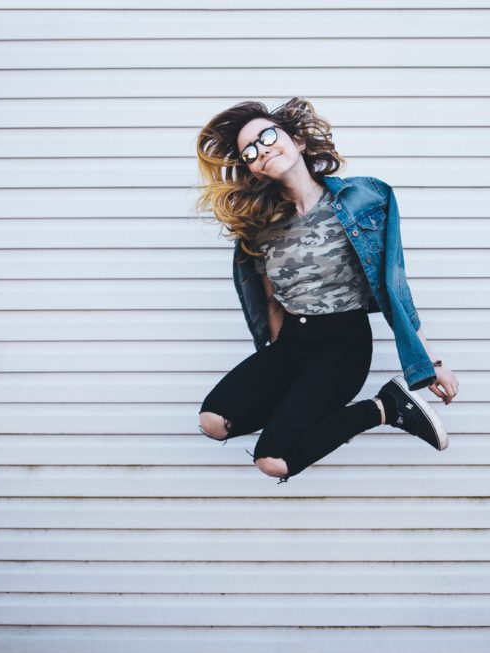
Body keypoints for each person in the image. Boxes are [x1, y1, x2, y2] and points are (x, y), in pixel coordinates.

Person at [193, 97, 460, 483]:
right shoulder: (259, 227)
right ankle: (312, 408)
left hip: (343, 347)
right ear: (252, 169)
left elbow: (395, 288)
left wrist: (429, 363)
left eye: (267, 136)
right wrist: (277, 363)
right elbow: (270, 299)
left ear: (298, 141)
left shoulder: (363, 200)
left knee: (273, 461)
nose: (261, 150)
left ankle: (385, 408)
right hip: (292, 344)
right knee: (214, 421)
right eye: (249, 151)